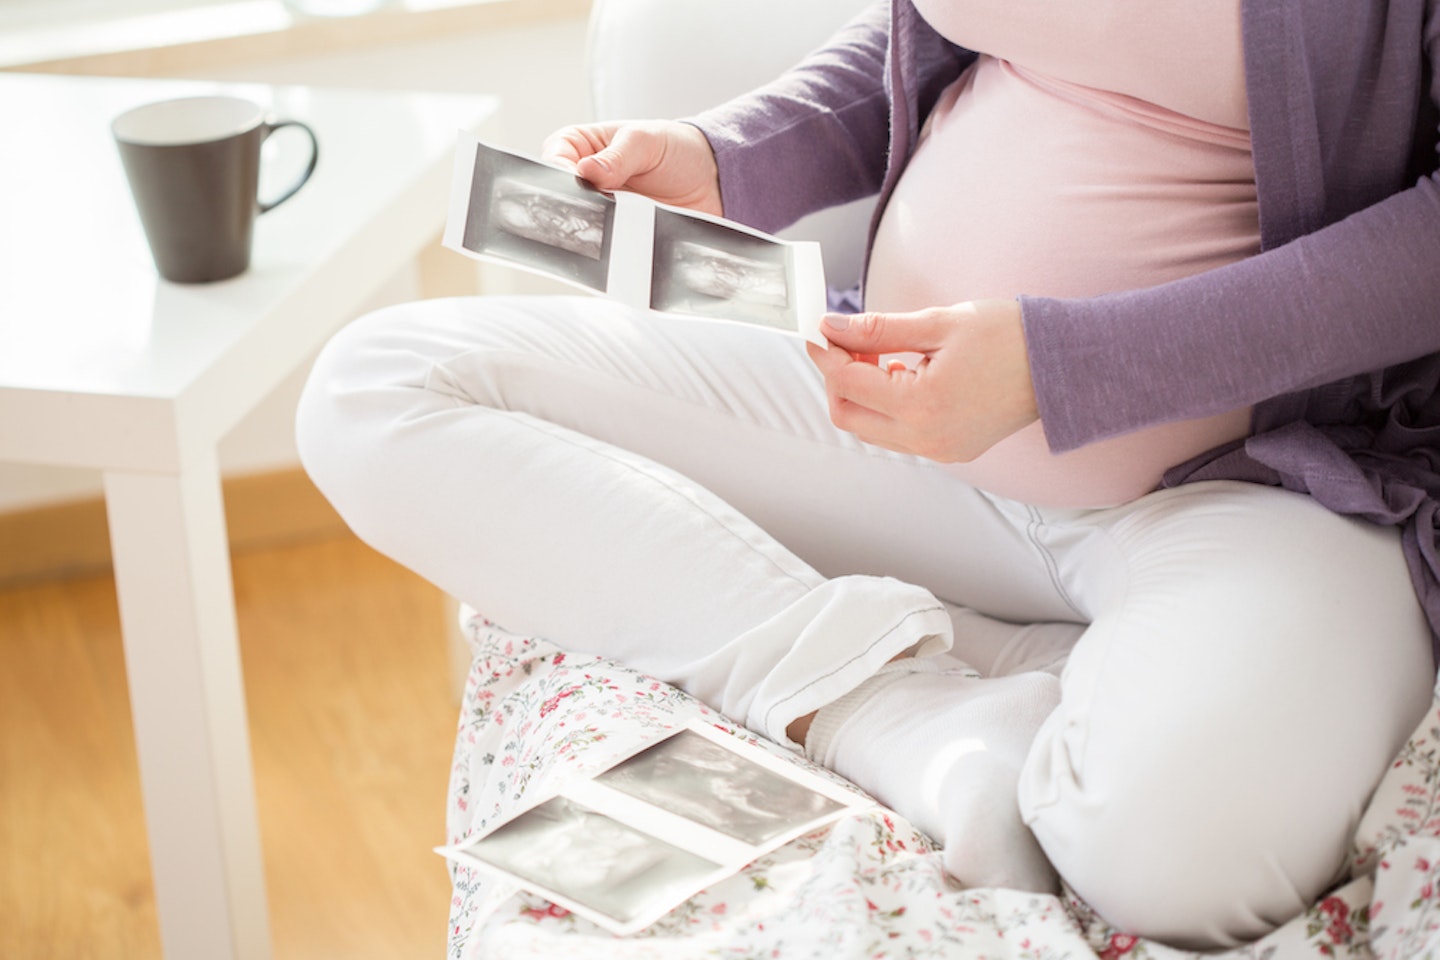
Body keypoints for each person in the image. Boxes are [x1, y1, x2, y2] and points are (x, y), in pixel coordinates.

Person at [295, 0, 1440, 949]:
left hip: (1255, 489)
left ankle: (1059, 657)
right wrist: (727, 154)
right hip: (882, 416)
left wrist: (1063, 368)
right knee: (376, 391)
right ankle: (899, 709)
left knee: (1178, 857)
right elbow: (942, 39)